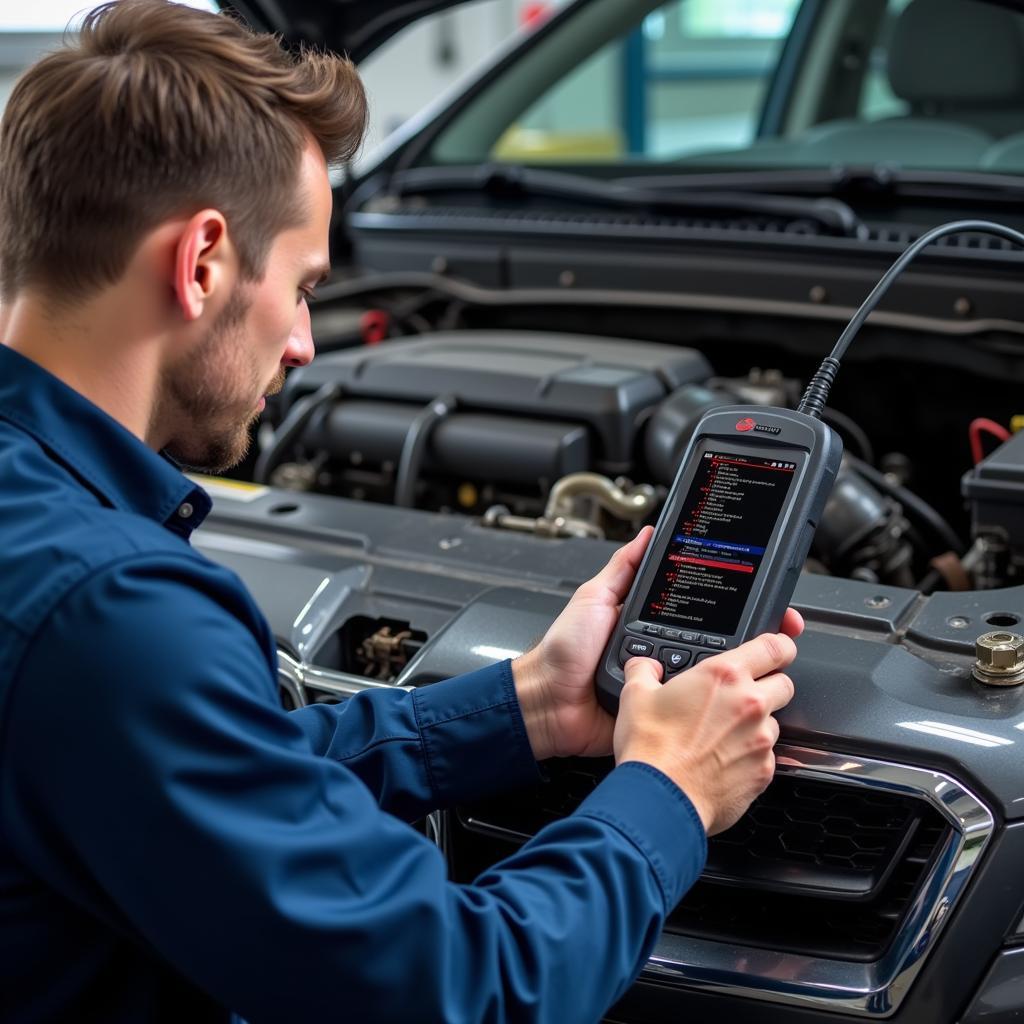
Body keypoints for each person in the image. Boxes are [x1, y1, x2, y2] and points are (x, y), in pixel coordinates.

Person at [0, 3, 800, 1021]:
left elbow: (203, 783)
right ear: (200, 261)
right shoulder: (113, 610)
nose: (304, 345)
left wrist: (531, 706)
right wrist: (670, 790)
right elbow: (454, 989)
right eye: (300, 287)